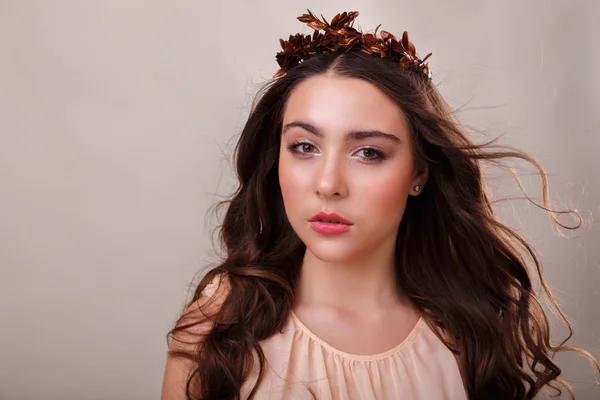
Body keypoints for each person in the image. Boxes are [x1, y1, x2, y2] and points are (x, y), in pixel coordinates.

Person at [161, 9, 599, 400]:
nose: (328, 184)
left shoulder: (467, 334)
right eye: (304, 146)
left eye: (368, 152)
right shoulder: (220, 327)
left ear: (419, 174)